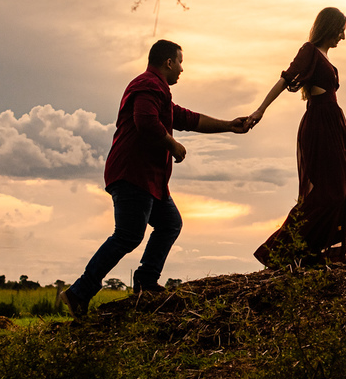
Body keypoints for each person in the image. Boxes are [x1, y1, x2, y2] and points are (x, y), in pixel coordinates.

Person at [60, 40, 250, 316]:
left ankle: (146, 282)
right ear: (168, 62)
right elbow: (145, 121)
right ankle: (79, 292)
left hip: (150, 180)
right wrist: (173, 145)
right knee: (128, 235)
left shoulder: (159, 92)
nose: (183, 69)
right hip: (133, 174)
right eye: (180, 62)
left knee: (169, 224)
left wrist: (228, 126)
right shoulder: (148, 85)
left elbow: (186, 118)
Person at [247, 7, 346, 265]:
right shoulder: (310, 51)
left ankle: (315, 251)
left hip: (333, 125)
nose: (343, 37)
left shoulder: (326, 59)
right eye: (340, 30)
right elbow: (284, 79)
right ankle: (282, 251)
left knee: (339, 190)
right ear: (329, 27)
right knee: (329, 193)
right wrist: (260, 110)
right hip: (319, 126)